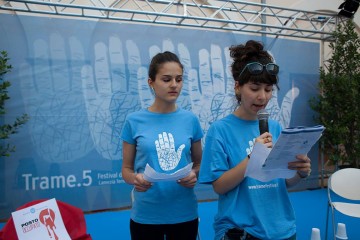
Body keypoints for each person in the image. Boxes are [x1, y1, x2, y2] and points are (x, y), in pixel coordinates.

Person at [198, 40, 312, 240]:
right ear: (237, 87)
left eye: (268, 89)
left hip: (282, 229)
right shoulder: (220, 130)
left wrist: (299, 173)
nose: (262, 97)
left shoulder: (276, 127)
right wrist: (253, 157)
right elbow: (219, 186)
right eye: (255, 88)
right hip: (241, 232)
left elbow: (282, 183)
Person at [121, 51, 203, 240]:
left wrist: (193, 175)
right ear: (151, 82)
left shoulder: (190, 120)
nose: (174, 85)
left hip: (184, 213)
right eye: (166, 79)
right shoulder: (134, 121)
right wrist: (136, 178)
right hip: (146, 215)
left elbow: (200, 165)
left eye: (179, 79)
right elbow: (125, 170)